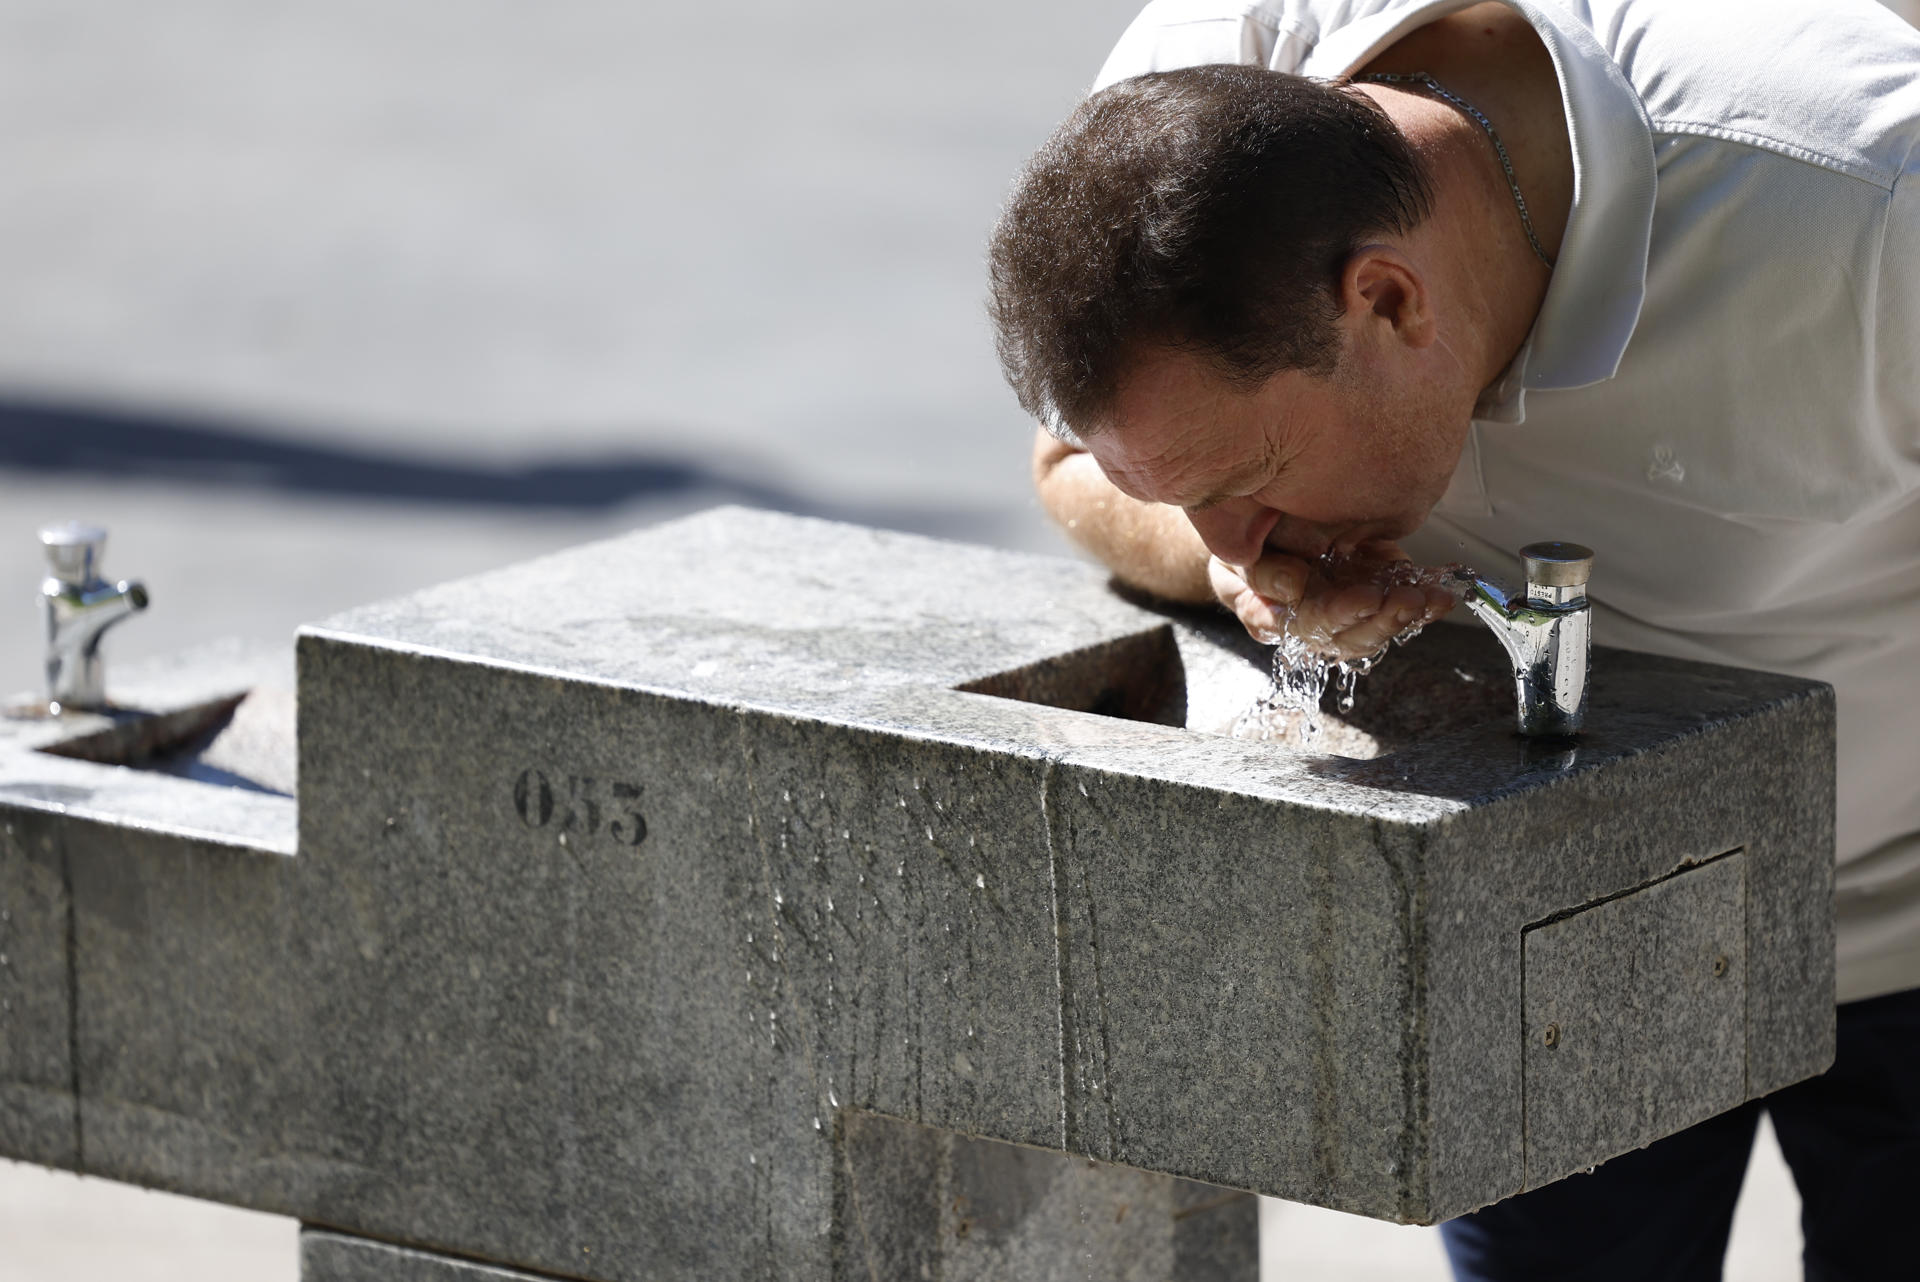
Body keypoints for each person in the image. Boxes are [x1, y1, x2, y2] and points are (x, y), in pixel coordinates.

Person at [986, 1, 1920, 1278]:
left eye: (1250, 476)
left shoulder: (1864, 195)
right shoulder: (1192, 102)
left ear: (1388, 298)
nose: (1244, 543)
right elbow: (1065, 463)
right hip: (1561, 935)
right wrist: (1220, 560)